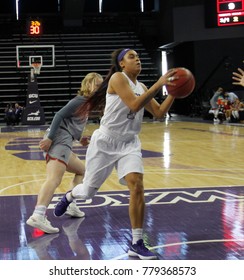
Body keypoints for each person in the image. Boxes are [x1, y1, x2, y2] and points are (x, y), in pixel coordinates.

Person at [54, 48, 178, 260]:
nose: (137, 59)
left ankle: (136, 242)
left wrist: (175, 92)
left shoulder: (142, 86)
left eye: (139, 56)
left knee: (137, 185)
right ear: (122, 63)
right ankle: (70, 196)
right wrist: (160, 84)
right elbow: (134, 104)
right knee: (87, 192)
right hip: (105, 142)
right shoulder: (117, 78)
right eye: (132, 57)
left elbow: (158, 113)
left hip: (129, 143)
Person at [26, 72, 103, 234]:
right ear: (88, 85)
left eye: (101, 85)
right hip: (59, 139)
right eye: (97, 84)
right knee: (54, 178)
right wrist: (50, 138)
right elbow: (59, 115)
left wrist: (80, 139)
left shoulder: (87, 103)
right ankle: (38, 215)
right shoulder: (80, 100)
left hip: (66, 141)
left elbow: (72, 123)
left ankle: (71, 204)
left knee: (82, 170)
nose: (99, 88)